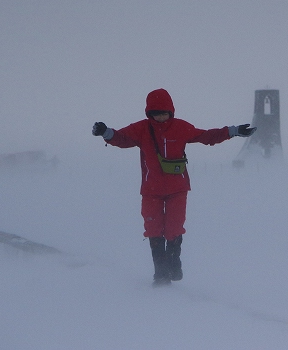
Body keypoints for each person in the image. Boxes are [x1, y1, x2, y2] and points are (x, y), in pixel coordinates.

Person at [92, 88, 256, 286]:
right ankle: (160, 274)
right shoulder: (142, 129)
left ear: (171, 111)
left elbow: (206, 136)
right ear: (149, 113)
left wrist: (234, 130)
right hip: (151, 190)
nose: (161, 117)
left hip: (177, 189)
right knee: (153, 229)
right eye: (156, 113)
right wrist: (105, 132)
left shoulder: (180, 127)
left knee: (174, 227)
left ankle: (173, 262)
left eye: (164, 113)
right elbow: (121, 138)